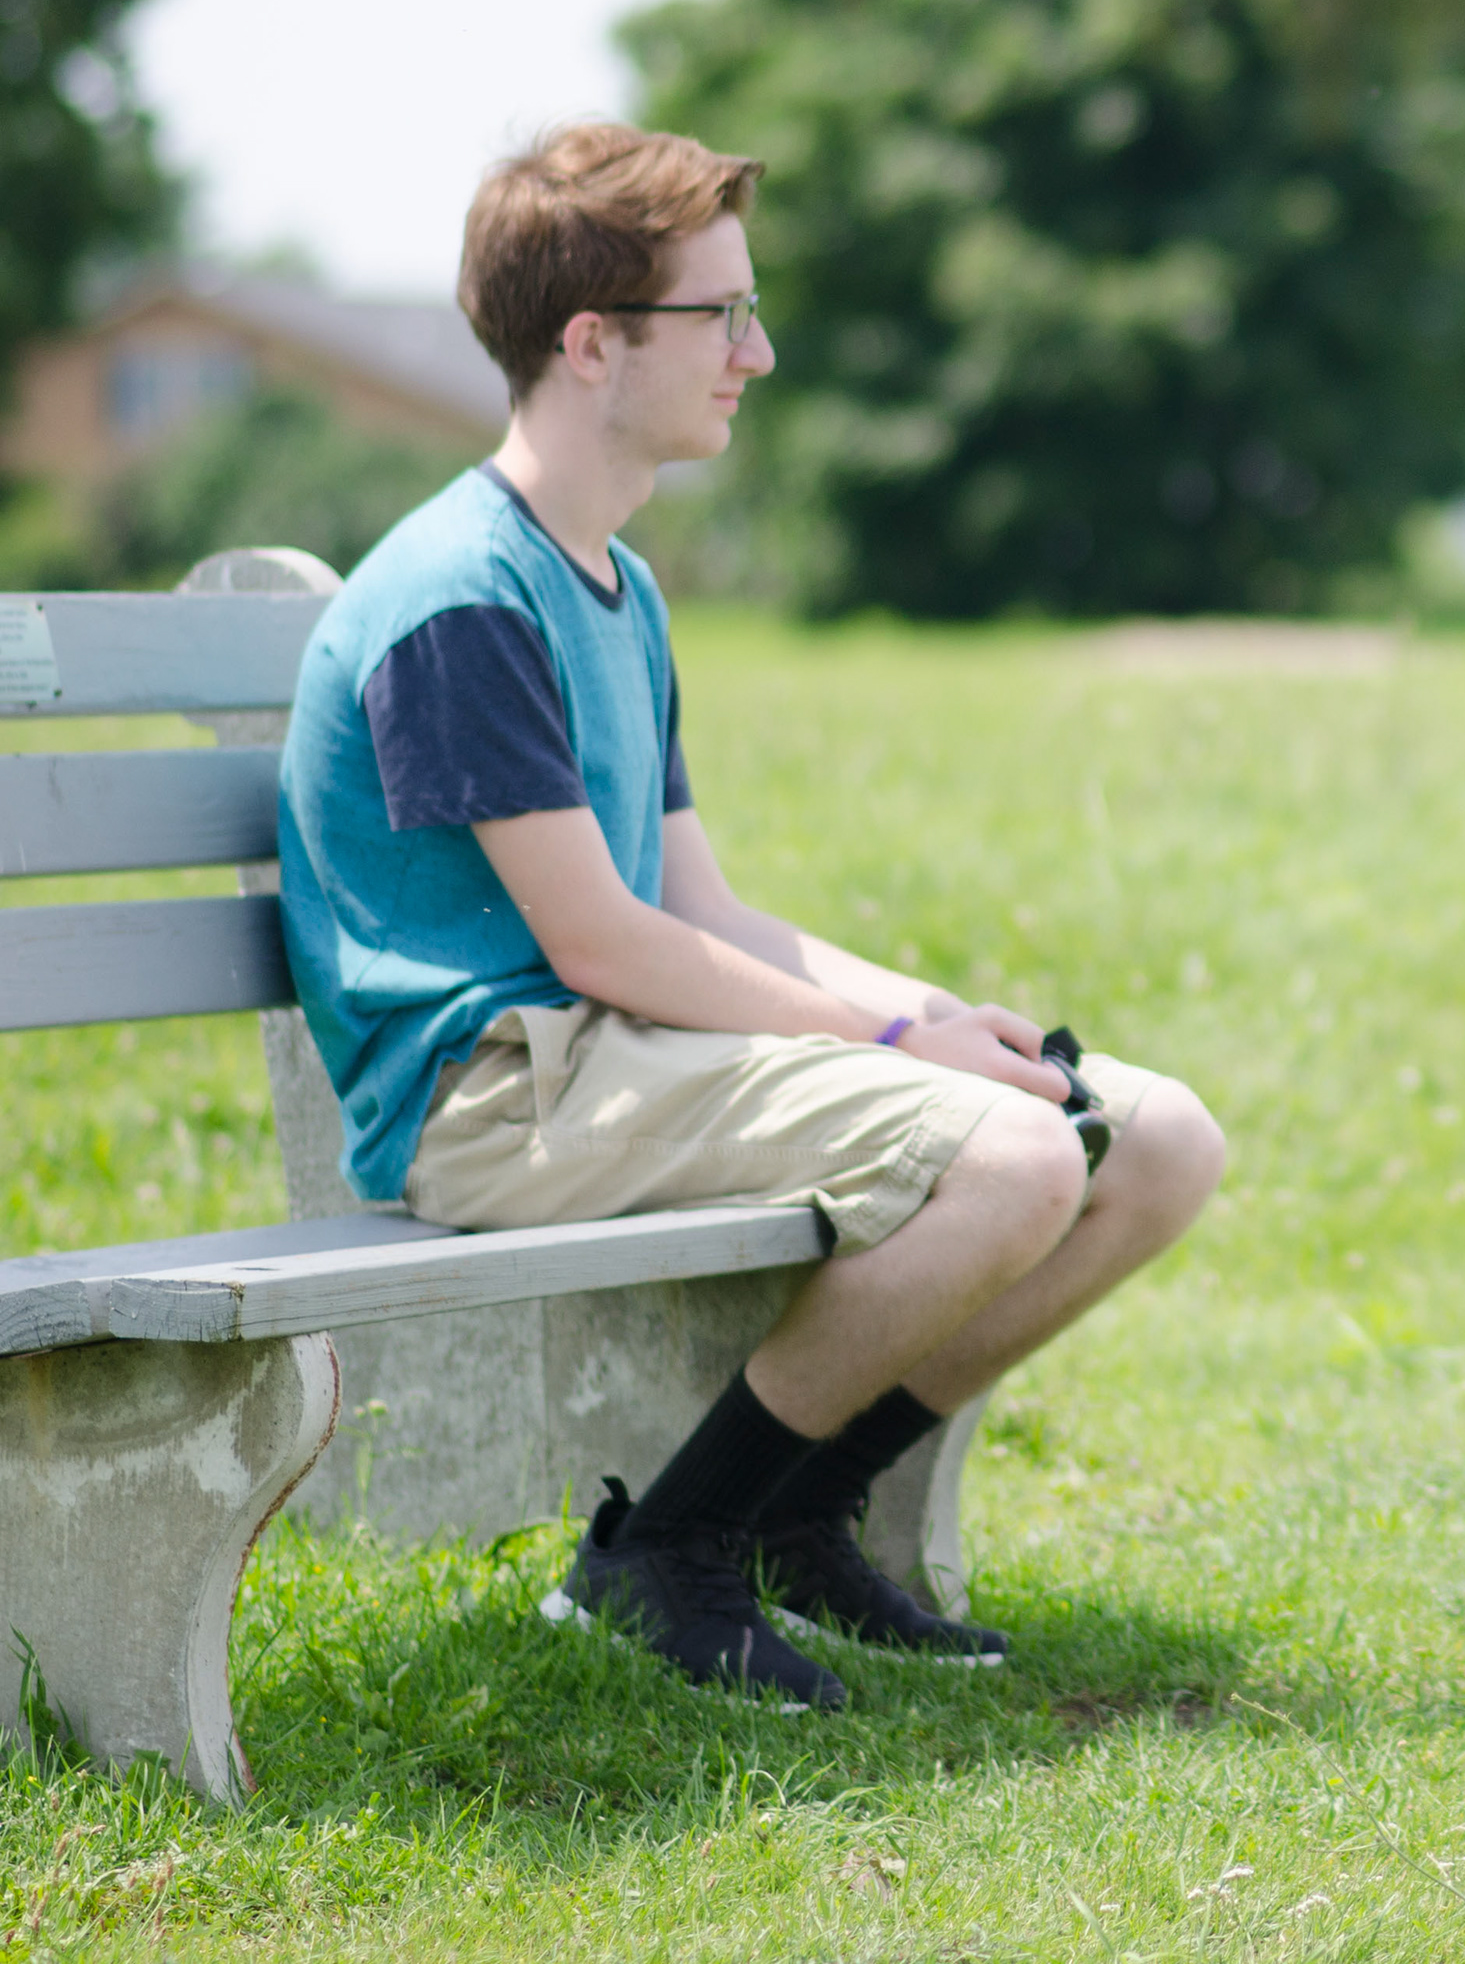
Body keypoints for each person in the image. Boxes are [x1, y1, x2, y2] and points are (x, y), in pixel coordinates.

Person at [276, 123, 1229, 1711]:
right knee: (1007, 1159)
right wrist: (898, 1047)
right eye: (719, 316)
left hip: (609, 1054)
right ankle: (666, 1554)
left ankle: (789, 1521)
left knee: (1153, 1138)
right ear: (592, 345)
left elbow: (700, 906)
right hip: (497, 1092)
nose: (758, 352)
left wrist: (940, 1018)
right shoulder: (460, 598)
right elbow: (603, 945)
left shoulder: (613, 587)